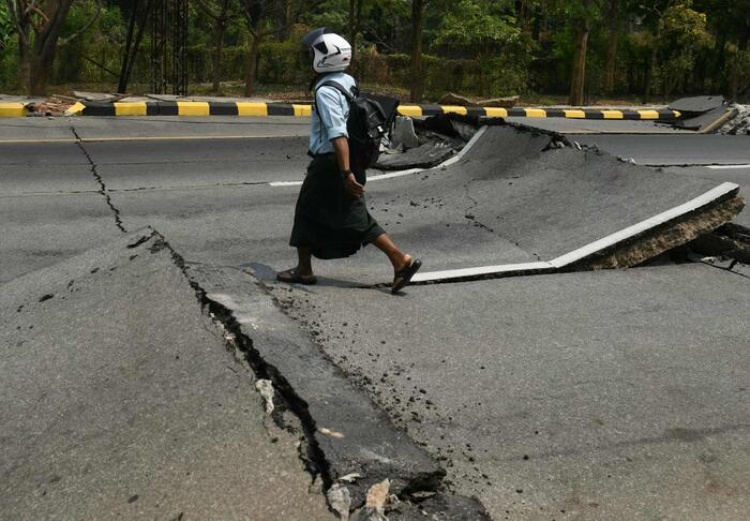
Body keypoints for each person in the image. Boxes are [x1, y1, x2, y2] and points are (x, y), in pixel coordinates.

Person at [276, 28, 421, 294]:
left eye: (312, 54)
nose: (309, 58)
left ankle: (399, 260)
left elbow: (338, 133)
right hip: (349, 159)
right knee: (341, 214)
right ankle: (397, 260)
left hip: (331, 163)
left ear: (325, 58)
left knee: (319, 213)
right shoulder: (347, 80)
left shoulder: (326, 91)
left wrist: (345, 172)